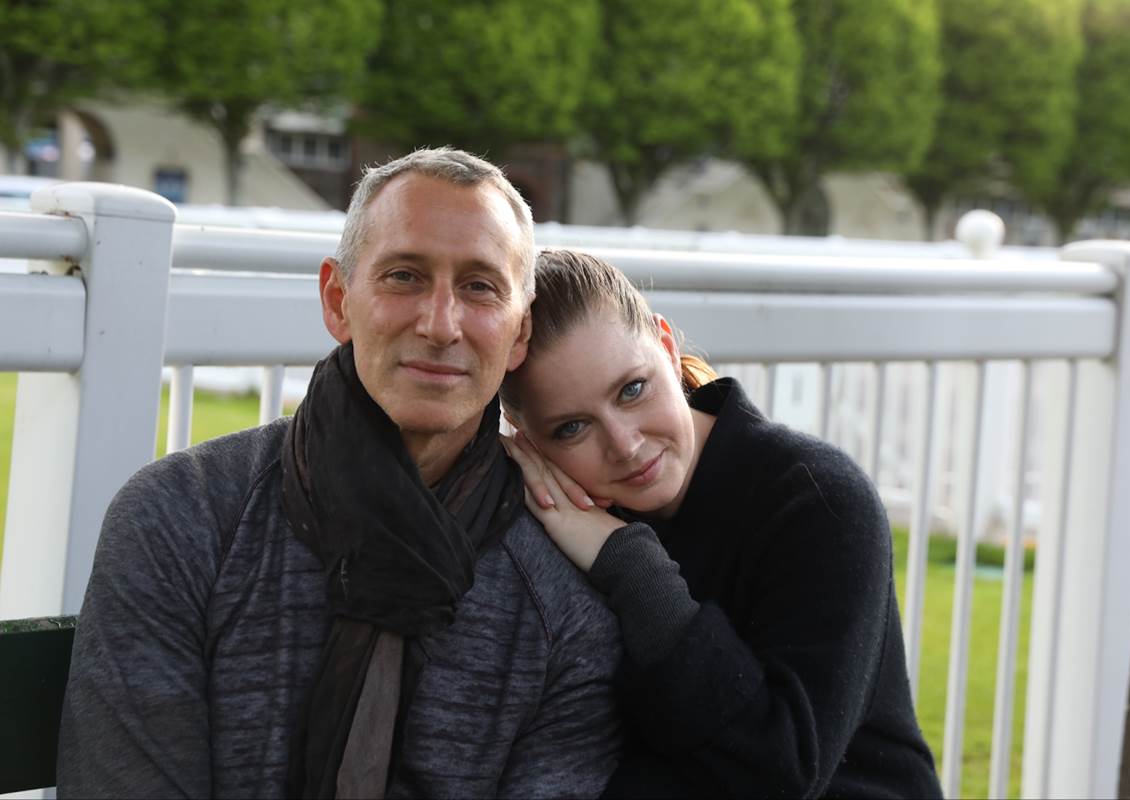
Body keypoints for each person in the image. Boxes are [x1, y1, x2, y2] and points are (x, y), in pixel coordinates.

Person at [57, 151, 623, 799]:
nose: (440, 324)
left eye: (480, 287)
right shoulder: (180, 521)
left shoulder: (565, 600)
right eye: (404, 276)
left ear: (519, 334)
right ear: (337, 300)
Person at [498, 249, 943, 798]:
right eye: (572, 428)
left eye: (632, 389)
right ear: (527, 438)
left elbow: (781, 770)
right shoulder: (549, 523)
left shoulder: (816, 498)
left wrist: (633, 569)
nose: (626, 444)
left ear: (665, 345)